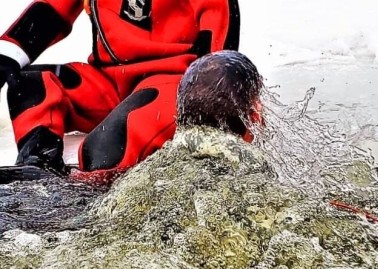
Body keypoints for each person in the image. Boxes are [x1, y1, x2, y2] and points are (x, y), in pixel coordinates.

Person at [0, 0, 240, 177]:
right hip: (110, 82)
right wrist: (6, 55)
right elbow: (48, 13)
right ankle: (38, 169)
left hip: (173, 83)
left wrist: (216, 114)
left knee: (105, 147)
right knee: (30, 84)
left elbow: (218, 62)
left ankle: (84, 197)